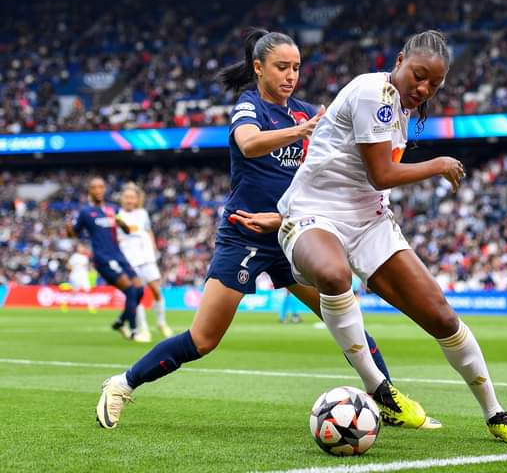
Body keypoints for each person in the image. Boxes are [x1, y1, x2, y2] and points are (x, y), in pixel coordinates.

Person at [95, 29, 423, 430]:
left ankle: (389, 401)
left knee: (342, 311)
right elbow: (249, 144)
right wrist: (300, 132)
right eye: (281, 67)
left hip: (295, 233)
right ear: (258, 67)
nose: (291, 76)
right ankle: (122, 384)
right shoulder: (249, 107)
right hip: (245, 234)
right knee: (203, 339)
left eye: (297, 68)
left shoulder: (308, 112)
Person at [234, 29, 507, 445]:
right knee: (335, 276)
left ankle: (495, 412)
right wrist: (439, 163)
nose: (424, 88)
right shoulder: (372, 92)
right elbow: (382, 173)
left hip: (371, 222)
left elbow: (374, 184)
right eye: (418, 76)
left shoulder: (401, 106)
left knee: (442, 318)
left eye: (435, 84)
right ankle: (380, 389)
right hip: (314, 214)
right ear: (399, 61)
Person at [66, 177, 145, 339]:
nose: (99, 190)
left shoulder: (112, 209)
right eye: (95, 187)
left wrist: (123, 225)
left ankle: (120, 321)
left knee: (140, 290)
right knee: (130, 290)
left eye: (101, 187)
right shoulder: (86, 212)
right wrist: (68, 229)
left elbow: (126, 229)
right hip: (103, 258)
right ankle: (134, 331)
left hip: (119, 255)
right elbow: (75, 233)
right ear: (90, 191)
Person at [117, 183, 173, 341]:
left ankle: (161, 323)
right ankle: (144, 329)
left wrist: (154, 249)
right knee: (137, 294)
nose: (129, 200)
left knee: (156, 291)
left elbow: (148, 232)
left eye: (132, 197)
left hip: (147, 258)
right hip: (130, 260)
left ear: (136, 200)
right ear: (122, 199)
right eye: (126, 197)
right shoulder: (117, 215)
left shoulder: (142, 213)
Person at [66, 243, 96, 314]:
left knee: (88, 290)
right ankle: (68, 304)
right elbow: (69, 266)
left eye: (82, 247)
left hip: (83, 276)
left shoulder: (85, 257)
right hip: (75, 276)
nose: (81, 249)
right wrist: (73, 268)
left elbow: (86, 267)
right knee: (74, 291)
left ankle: (91, 306)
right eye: (80, 247)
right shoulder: (74, 257)